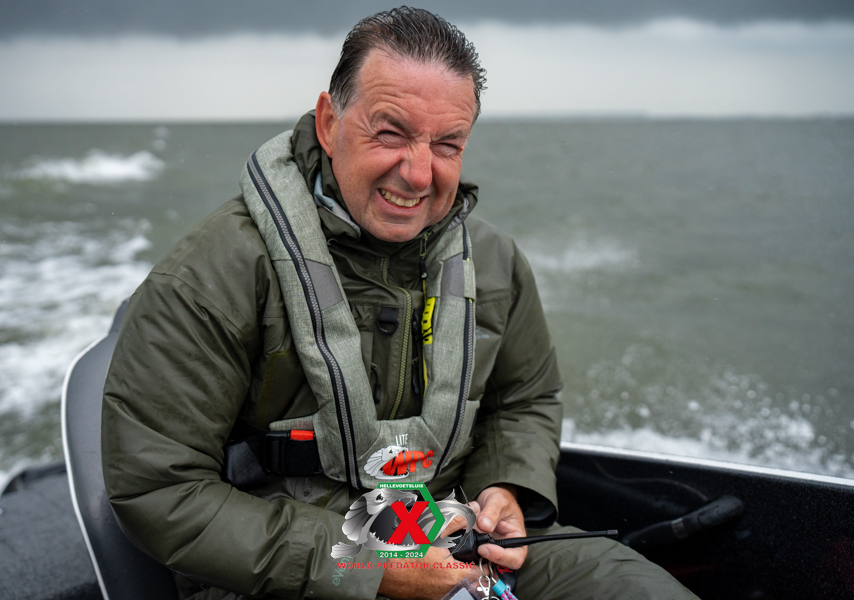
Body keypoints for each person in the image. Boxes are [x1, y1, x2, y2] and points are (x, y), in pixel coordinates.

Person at [101, 7, 698, 600]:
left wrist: (506, 487)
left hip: (453, 533)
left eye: (447, 144)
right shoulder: (211, 275)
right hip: (288, 572)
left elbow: (525, 399)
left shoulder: (494, 264)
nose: (417, 173)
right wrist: (372, 568)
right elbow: (159, 490)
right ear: (329, 122)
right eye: (391, 133)